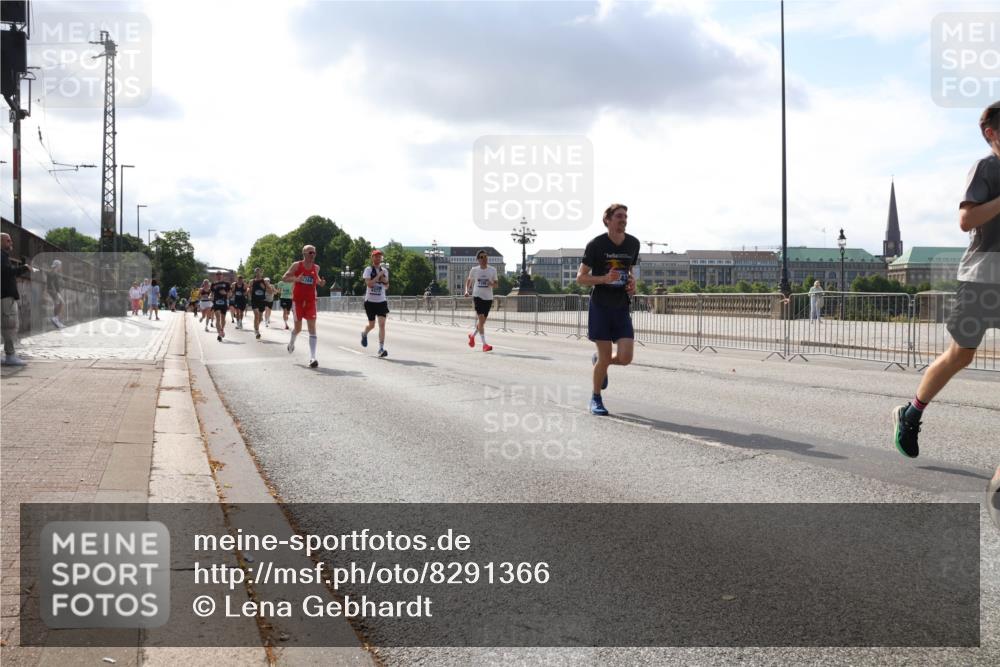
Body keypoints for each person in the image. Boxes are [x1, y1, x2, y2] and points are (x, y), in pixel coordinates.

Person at [893, 101, 1000, 458]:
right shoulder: (985, 168)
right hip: (982, 279)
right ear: (992, 134)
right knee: (961, 355)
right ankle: (911, 413)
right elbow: (967, 221)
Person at [576, 203, 640, 416]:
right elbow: (580, 278)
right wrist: (604, 278)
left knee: (625, 358)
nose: (624, 219)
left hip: (621, 306)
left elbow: (629, 269)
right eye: (619, 216)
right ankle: (595, 398)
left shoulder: (633, 243)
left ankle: (599, 363)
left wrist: (633, 283)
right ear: (608, 220)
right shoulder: (596, 245)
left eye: (625, 216)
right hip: (601, 306)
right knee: (605, 356)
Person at [282, 244, 325, 367]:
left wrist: (320, 283)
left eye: (314, 253)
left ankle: (312, 357)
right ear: (304, 254)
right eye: (310, 252)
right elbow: (284, 278)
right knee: (298, 328)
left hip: (311, 301)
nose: (313, 255)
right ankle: (291, 343)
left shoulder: (316, 267)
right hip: (298, 301)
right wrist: (296, 279)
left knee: (312, 328)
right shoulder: (297, 265)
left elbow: (315, 279)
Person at [1, 232, 32, 366]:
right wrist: (23, 268)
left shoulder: (3, 256)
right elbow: (7, 272)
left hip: (5, 296)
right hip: (6, 297)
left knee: (6, 326)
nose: (11, 243)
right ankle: (10, 356)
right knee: (10, 326)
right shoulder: (1, 256)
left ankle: (9, 355)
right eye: (8, 241)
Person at [464, 249, 498, 352]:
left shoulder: (493, 270)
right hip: (477, 296)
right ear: (478, 259)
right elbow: (469, 281)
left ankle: (472, 335)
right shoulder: (474, 270)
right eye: (482, 257)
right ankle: (484, 345)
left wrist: (491, 284)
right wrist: (466, 291)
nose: (484, 259)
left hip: (488, 298)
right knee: (481, 318)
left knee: (482, 322)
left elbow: (496, 284)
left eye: (486, 257)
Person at [361, 250, 390, 358]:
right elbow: (369, 284)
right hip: (370, 302)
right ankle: (364, 333)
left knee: (382, 325)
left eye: (380, 257)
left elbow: (387, 286)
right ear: (372, 258)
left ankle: (381, 348)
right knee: (372, 325)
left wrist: (384, 280)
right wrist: (379, 277)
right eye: (376, 257)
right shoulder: (368, 270)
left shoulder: (384, 271)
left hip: (381, 301)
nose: (378, 258)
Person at [210, 271, 230, 341]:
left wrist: (225, 293)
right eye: (217, 275)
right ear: (216, 276)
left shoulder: (226, 284)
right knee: (218, 318)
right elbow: (211, 293)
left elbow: (230, 293)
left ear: (222, 276)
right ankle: (219, 334)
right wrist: (210, 297)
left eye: (220, 274)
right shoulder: (213, 284)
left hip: (224, 303)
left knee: (223, 319)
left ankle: (222, 329)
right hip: (216, 302)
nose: (219, 276)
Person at [249, 268, 268, 339]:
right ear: (255, 273)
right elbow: (249, 288)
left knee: (260, 318)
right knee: (256, 315)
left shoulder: (264, 281)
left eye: (259, 272)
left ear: (261, 273)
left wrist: (265, 287)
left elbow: (269, 290)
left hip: (262, 301)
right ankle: (257, 331)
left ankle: (256, 327)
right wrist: (249, 291)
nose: (258, 273)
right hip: (254, 300)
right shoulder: (252, 281)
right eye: (256, 272)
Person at [47, 259, 65, 329]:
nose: (61, 267)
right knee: (61, 303)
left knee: (58, 304)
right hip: (53, 290)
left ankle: (56, 320)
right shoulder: (52, 272)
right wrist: (56, 292)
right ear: (57, 265)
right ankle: (55, 319)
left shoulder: (54, 272)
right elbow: (51, 283)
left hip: (54, 290)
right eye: (60, 265)